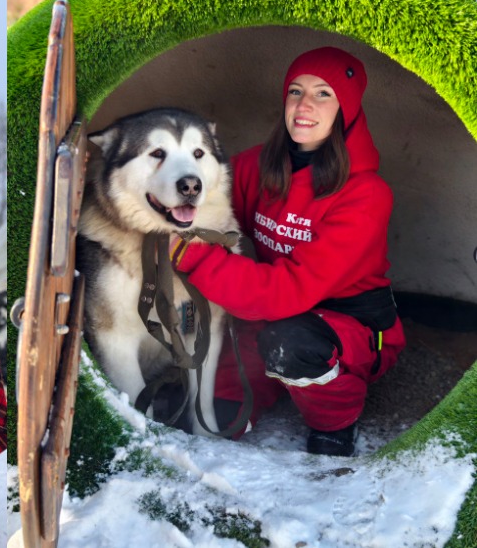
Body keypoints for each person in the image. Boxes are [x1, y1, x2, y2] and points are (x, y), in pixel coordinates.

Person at [169, 46, 405, 456]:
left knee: (290, 343)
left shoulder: (367, 194)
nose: (304, 105)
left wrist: (195, 256)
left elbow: (287, 291)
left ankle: (335, 420)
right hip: (279, 311)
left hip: (350, 324)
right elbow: (205, 194)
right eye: (295, 91)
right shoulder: (258, 166)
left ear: (345, 110)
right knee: (224, 323)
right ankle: (235, 397)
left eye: (323, 94)